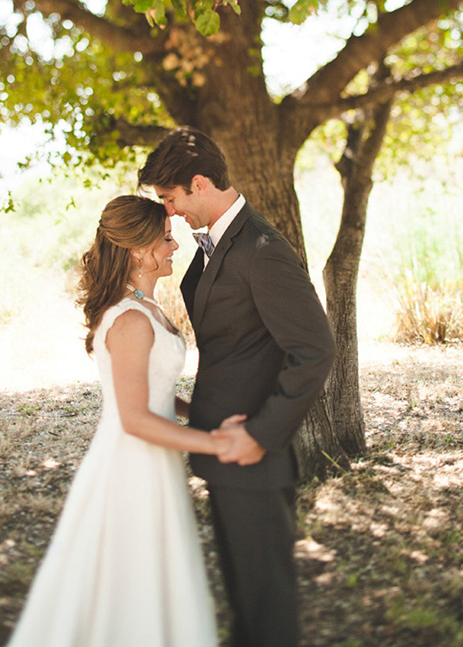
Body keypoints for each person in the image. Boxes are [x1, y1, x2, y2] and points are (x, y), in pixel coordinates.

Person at [138, 128, 337, 647]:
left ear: (199, 184)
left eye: (171, 199)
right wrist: (178, 402)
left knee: (267, 609)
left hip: (253, 459)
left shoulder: (262, 248)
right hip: (219, 454)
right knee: (245, 602)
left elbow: (315, 349)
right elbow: (234, 350)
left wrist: (260, 434)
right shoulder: (215, 246)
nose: (171, 212)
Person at [5, 195, 232, 647]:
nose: (174, 246)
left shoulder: (145, 307)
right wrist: (220, 444)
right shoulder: (130, 319)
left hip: (154, 463)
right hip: (132, 465)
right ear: (137, 250)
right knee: (131, 580)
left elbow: (155, 388)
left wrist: (199, 412)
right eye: (166, 239)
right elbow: (134, 418)